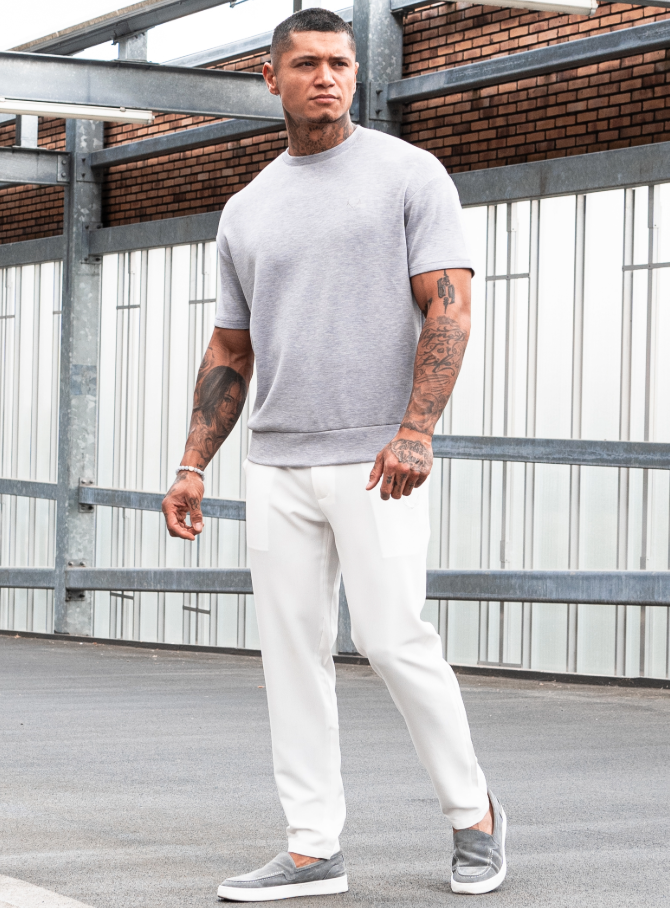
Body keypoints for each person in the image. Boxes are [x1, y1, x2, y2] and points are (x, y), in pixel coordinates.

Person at [162, 7, 507, 901]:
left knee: (394, 640)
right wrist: (193, 463)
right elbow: (231, 348)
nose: (327, 77)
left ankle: (474, 816)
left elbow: (449, 306)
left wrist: (416, 429)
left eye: (341, 64)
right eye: (308, 63)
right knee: (292, 656)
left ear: (357, 73)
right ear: (270, 76)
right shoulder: (246, 208)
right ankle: (314, 848)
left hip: (376, 458)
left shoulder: (408, 174)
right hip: (277, 461)